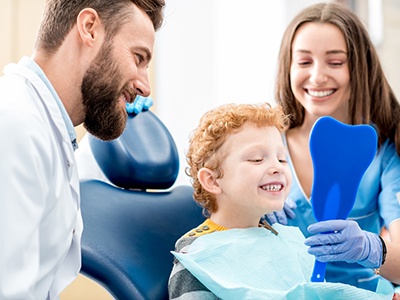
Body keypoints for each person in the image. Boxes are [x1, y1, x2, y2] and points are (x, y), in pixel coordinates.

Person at [0, 0, 164, 299]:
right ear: (89, 28)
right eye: (138, 57)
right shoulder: (15, 125)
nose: (145, 86)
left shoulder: (45, 128)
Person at [168, 102, 397, 300]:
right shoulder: (198, 255)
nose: (277, 167)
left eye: (282, 158)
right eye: (257, 159)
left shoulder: (286, 241)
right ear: (212, 180)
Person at [265, 1, 400, 291]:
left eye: (335, 62)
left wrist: (369, 248)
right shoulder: (264, 142)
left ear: (359, 67)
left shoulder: (385, 151)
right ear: (287, 67)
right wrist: (247, 212)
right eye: (304, 62)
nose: (317, 76)